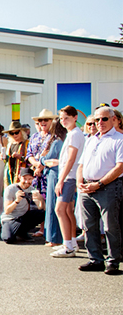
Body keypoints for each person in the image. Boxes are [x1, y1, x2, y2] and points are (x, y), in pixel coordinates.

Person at [76, 106, 123, 275]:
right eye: (97, 120)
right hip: (87, 187)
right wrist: (79, 182)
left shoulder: (119, 139)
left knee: (111, 226)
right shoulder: (91, 139)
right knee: (89, 226)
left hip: (108, 187)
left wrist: (100, 184)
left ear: (113, 119)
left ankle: (113, 261)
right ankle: (95, 259)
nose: (100, 123)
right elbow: (81, 164)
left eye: (104, 119)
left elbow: (120, 167)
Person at [50, 106, 85, 258]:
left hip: (69, 177)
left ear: (75, 117)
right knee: (68, 210)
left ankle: (68, 245)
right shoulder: (72, 133)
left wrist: (61, 179)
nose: (63, 121)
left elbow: (71, 158)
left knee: (60, 210)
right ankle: (71, 243)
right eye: (62, 118)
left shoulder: (75, 134)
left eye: (67, 118)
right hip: (68, 175)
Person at [39, 119, 67, 247]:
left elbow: (46, 159)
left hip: (54, 175)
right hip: (61, 174)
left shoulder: (57, 142)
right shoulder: (66, 140)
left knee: (52, 206)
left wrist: (42, 157)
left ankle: (54, 238)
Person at [0, 168, 45, 244]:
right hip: (10, 218)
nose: (27, 181)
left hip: (22, 217)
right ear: (19, 177)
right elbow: (7, 211)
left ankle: (21, 232)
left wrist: (41, 199)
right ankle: (17, 232)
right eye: (24, 178)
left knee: (42, 213)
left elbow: (41, 208)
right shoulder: (11, 189)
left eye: (30, 179)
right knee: (8, 239)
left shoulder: (32, 189)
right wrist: (17, 200)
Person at [3, 120, 29, 188]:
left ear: (21, 132)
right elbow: (6, 161)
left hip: (22, 174)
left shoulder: (26, 143)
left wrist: (21, 157)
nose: (14, 135)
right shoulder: (10, 145)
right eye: (12, 133)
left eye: (16, 133)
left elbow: (30, 159)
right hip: (10, 173)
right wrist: (4, 157)